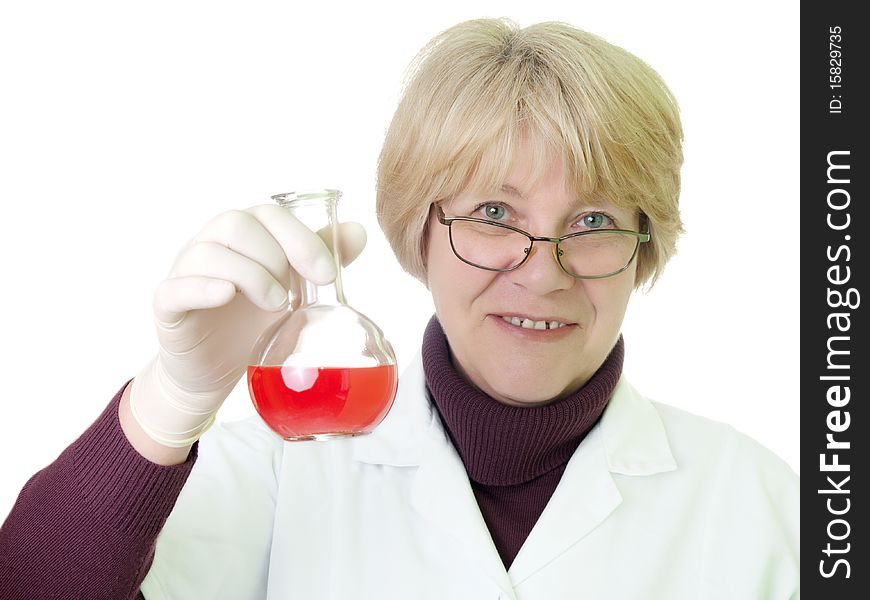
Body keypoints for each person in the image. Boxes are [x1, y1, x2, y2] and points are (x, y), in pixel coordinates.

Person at [0, 17, 798, 599]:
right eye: (494, 213)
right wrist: (167, 405)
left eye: (593, 223)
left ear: (645, 245)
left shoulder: (761, 504)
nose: (544, 272)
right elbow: (29, 583)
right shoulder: (285, 474)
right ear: (420, 229)